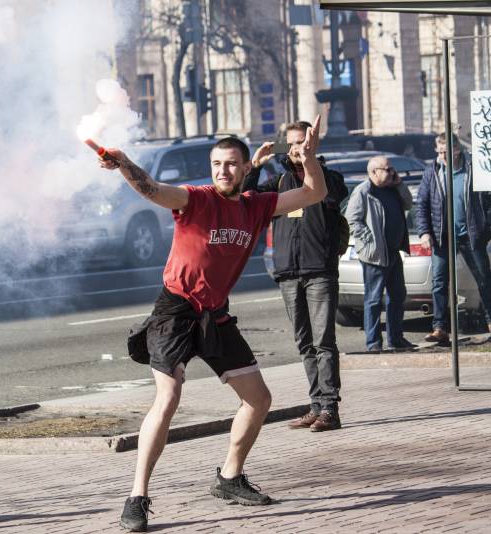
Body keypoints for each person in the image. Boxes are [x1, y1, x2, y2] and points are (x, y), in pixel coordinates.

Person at [101, 117, 327, 532]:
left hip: (215, 314)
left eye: (231, 164)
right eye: (217, 164)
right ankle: (137, 496)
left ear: (245, 168)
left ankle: (228, 478)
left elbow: (315, 191)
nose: (223, 171)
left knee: (258, 400)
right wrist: (124, 163)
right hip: (175, 311)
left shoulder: (257, 206)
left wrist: (308, 158)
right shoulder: (195, 200)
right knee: (168, 398)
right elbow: (152, 189)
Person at [243, 121, 348, 432]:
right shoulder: (280, 182)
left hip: (319, 271)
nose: (296, 148)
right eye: (291, 143)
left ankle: (330, 408)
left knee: (323, 342)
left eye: (302, 141)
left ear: (313, 143)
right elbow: (247, 200)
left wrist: (309, 160)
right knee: (304, 342)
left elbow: (331, 196)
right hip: (288, 271)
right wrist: (255, 165)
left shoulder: (328, 177)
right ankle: (316, 405)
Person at [417, 132, 491, 344]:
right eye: (440, 151)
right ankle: (439, 328)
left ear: (457, 149)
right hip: (442, 235)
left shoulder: (472, 169)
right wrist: (424, 232)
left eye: (447, 151)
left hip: (470, 234)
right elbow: (422, 204)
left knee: (484, 278)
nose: (443, 155)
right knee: (439, 282)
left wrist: (487, 223)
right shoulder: (433, 171)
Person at [345, 156, 417, 352]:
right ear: (374, 172)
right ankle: (373, 343)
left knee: (397, 296)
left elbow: (409, 204)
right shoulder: (363, 191)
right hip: (375, 254)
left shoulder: (393, 188)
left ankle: (396, 338)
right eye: (387, 169)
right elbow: (352, 220)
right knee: (374, 299)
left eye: (392, 169)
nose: (392, 172)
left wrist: (400, 183)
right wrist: (370, 240)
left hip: (393, 252)